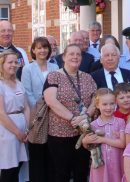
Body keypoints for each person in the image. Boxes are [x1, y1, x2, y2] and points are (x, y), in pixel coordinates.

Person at [43, 44, 97, 181]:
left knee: (81, 172)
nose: (75, 57)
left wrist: (86, 116)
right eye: (71, 54)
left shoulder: (87, 77)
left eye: (78, 54)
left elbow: (96, 100)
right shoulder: (54, 76)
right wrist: (73, 118)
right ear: (63, 57)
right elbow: (51, 101)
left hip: (83, 134)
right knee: (62, 173)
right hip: (59, 134)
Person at [21, 37, 58, 182]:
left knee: (52, 154)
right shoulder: (27, 69)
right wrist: (40, 110)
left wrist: (53, 106)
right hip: (36, 117)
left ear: (49, 50)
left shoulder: (55, 67)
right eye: (39, 48)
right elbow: (27, 93)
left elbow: (58, 90)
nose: (42, 50)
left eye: (45, 47)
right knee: (37, 155)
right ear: (33, 50)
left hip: (54, 115)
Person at [82, 88, 126, 182]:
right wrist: (85, 141)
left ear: (115, 104)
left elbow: (122, 143)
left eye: (111, 104)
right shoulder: (93, 125)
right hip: (101, 165)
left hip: (117, 163)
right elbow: (88, 146)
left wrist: (102, 139)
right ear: (97, 105)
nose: (109, 107)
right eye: (105, 104)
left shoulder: (120, 122)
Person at [0, 51, 30, 182]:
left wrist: (28, 130)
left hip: (22, 131)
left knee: (19, 165)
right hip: (8, 132)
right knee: (9, 168)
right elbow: (1, 113)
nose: (13, 65)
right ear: (2, 65)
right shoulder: (1, 85)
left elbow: (26, 107)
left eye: (15, 62)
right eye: (9, 62)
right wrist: (18, 132)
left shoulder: (19, 83)